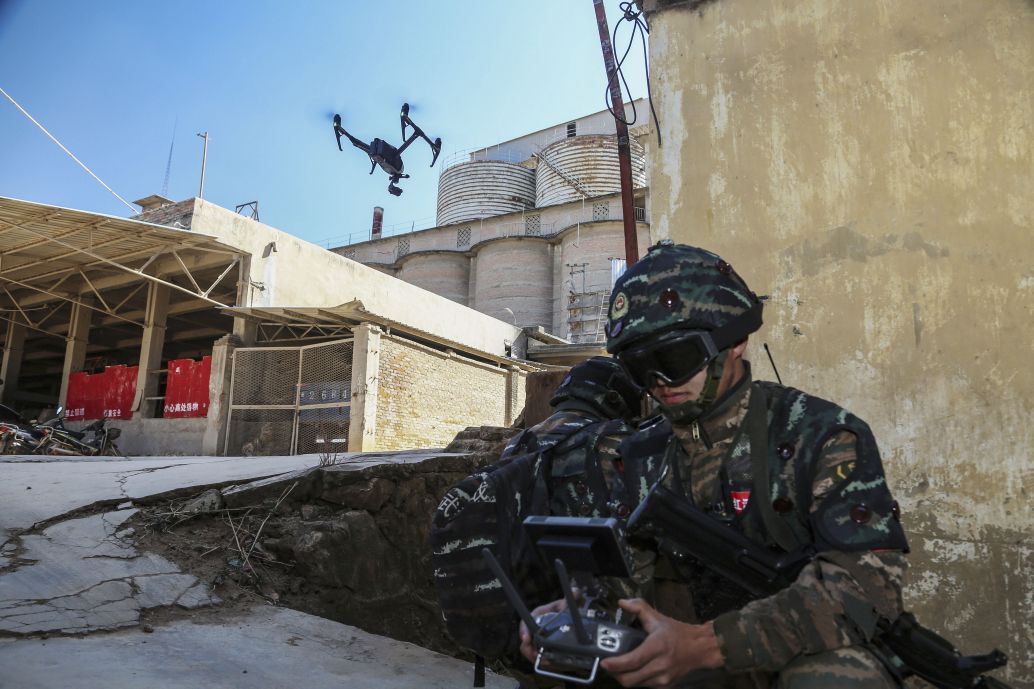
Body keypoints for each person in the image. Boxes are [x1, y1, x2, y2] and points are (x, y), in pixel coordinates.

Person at [520, 241, 909, 689]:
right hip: (679, 654)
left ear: (735, 340)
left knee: (837, 678)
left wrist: (707, 644)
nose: (661, 383)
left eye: (676, 359)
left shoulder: (821, 437)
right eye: (639, 367)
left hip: (783, 654)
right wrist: (579, 612)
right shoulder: (635, 454)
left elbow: (867, 594)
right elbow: (629, 577)